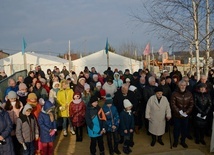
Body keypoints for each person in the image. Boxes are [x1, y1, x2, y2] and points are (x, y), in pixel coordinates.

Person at [171, 80, 194, 148]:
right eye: (181, 85)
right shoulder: (174, 94)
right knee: (176, 129)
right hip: (177, 115)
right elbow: (173, 104)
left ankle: (183, 141)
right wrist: (179, 112)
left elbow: (191, 104)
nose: (183, 86)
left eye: (184, 85)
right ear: (178, 85)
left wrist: (186, 112)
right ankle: (175, 141)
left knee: (184, 130)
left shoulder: (189, 94)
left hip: (186, 115)